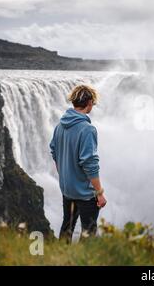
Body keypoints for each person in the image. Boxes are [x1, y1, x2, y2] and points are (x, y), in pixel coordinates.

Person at [49, 85, 107, 242]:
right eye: (93, 104)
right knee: (88, 232)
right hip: (85, 193)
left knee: (67, 227)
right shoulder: (87, 129)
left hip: (67, 189)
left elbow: (54, 152)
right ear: (89, 102)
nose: (92, 107)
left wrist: (65, 176)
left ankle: (60, 257)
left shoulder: (59, 126)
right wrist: (99, 193)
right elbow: (90, 163)